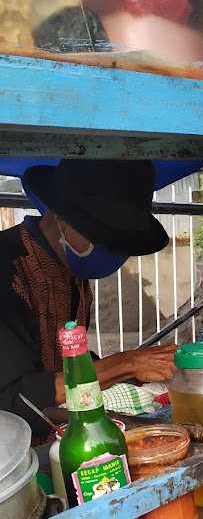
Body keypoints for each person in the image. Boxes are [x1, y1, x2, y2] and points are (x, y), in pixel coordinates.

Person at [0, 159, 177, 438]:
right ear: (61, 219)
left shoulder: (69, 269)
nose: (115, 253)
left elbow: (69, 363)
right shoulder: (8, 270)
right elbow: (13, 399)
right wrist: (127, 363)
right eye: (105, 237)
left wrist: (136, 372)